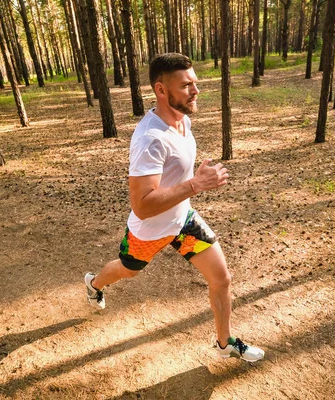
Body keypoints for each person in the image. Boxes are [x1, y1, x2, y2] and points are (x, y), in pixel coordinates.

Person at [84, 53, 264, 363]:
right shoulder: (150, 138)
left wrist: (192, 184)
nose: (195, 91)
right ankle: (95, 284)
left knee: (221, 279)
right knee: (127, 271)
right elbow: (141, 206)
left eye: (195, 83)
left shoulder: (184, 121)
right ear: (161, 90)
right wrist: (195, 185)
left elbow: (175, 175)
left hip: (183, 222)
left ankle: (225, 343)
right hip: (148, 231)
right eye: (185, 86)